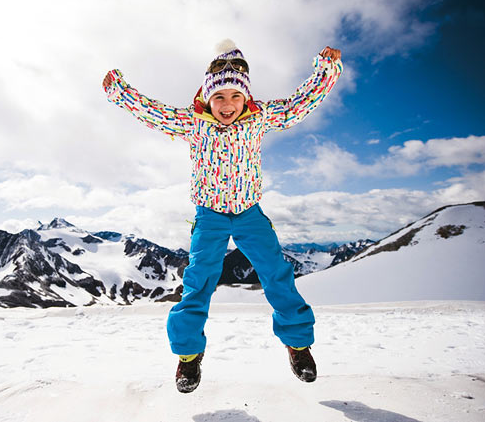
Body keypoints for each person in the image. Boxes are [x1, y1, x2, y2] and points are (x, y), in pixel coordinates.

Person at [102, 39, 342, 393]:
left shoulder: (259, 118)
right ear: (206, 97)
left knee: (277, 274)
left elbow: (298, 106)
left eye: (234, 97)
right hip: (209, 215)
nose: (227, 105)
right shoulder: (191, 122)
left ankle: (298, 345)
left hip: (249, 213)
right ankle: (187, 358)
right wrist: (118, 90)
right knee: (198, 281)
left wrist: (325, 69)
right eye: (219, 97)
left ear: (245, 97)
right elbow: (151, 111)